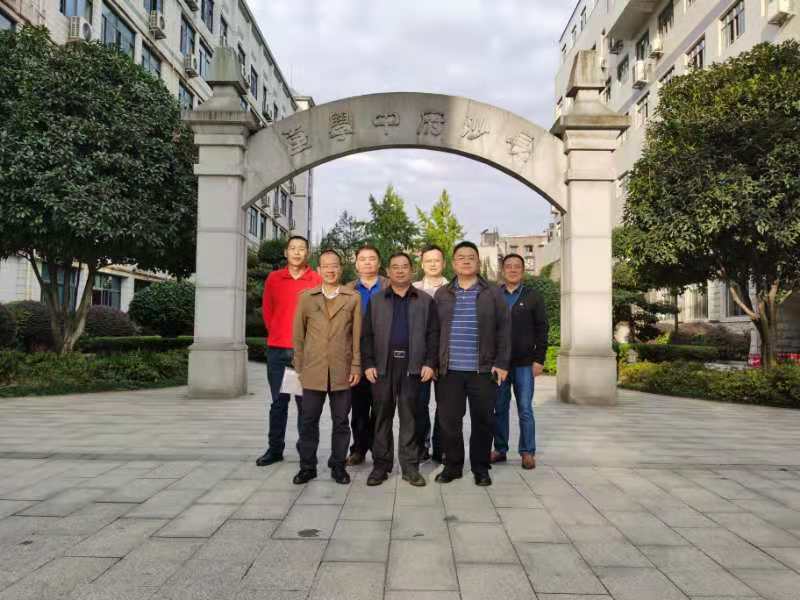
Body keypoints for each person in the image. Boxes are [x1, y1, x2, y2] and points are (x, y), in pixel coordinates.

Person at [434, 241, 510, 487]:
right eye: (461, 257)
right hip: (449, 371)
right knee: (449, 422)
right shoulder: (442, 294)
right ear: (453, 263)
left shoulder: (493, 293)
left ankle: (480, 467)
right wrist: (433, 363)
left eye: (471, 257)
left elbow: (504, 330)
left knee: (483, 421)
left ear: (478, 262)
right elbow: (433, 332)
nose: (466, 261)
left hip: (483, 371)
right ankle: (453, 466)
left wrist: (501, 363)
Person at [362, 252, 440, 487]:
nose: (399, 270)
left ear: (412, 270)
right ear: (388, 271)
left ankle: (410, 467)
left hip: (413, 367)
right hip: (383, 367)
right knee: (381, 417)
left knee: (410, 418)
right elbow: (367, 335)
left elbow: (433, 335)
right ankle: (381, 466)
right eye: (395, 267)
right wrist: (368, 363)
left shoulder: (425, 300)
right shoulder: (377, 300)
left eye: (404, 266)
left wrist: (430, 363)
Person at [292, 249, 361, 485]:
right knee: (308, 421)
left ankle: (338, 466)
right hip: (313, 370)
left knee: (341, 422)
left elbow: (357, 336)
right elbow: (298, 336)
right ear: (319, 270)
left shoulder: (352, 298)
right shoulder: (306, 298)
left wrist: (356, 366)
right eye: (326, 266)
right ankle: (307, 467)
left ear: (340, 268)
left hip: (342, 371)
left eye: (335, 265)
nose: (331, 270)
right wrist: (299, 367)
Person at [256, 236, 322, 467]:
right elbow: (268, 312)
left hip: (306, 353)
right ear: (286, 252)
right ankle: (275, 449)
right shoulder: (274, 278)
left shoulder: (316, 279)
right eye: (292, 248)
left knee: (305, 405)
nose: (296, 252)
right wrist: (279, 333)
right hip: (278, 351)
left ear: (307, 253)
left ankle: (306, 449)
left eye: (301, 248)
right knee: (278, 403)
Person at [491, 253, 548, 470]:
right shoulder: (494, 295)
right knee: (499, 407)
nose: (513, 269)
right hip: (499, 364)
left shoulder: (533, 296)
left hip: (525, 363)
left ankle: (527, 452)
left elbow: (542, 329)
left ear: (523, 271)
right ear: (503, 270)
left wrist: (539, 359)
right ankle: (500, 449)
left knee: (525, 408)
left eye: (517, 266)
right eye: (509, 266)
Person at [345, 245, 388, 466]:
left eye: (372, 258)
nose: (367, 262)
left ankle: (378, 448)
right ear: (356, 264)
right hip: (356, 357)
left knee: (382, 407)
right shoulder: (347, 289)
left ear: (379, 263)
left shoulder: (390, 286)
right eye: (362, 259)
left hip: (384, 356)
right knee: (359, 408)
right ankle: (359, 449)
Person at [412, 244, 448, 463]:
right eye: (429, 261)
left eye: (437, 260)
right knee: (419, 405)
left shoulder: (453, 289)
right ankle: (421, 445)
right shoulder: (413, 289)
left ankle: (441, 447)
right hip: (420, 358)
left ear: (444, 263)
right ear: (422, 264)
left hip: (446, 357)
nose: (433, 264)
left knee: (445, 406)